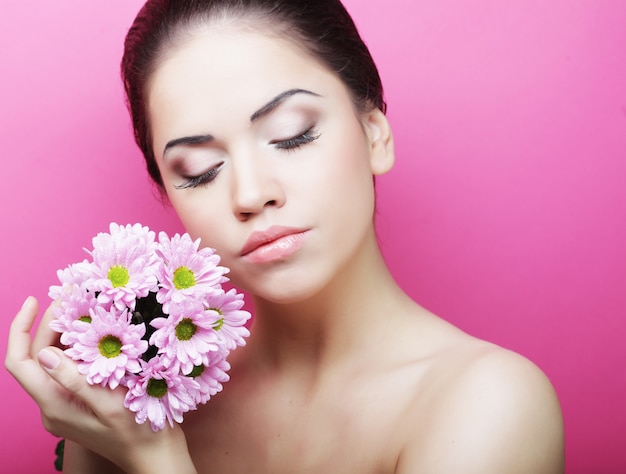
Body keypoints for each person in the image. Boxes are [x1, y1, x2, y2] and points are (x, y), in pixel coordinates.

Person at [5, 0, 564, 472]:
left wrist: (157, 462)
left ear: (375, 134)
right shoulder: (148, 400)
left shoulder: (489, 402)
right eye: (199, 169)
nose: (250, 194)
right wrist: (91, 436)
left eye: (291, 136)